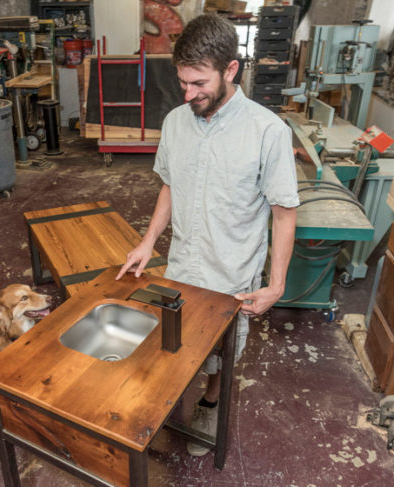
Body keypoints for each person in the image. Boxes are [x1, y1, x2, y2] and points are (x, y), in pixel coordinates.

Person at [116, 14, 299, 457]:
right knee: (174, 340)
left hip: (230, 275)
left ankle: (211, 402)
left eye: (199, 83)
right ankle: (170, 397)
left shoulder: (267, 132)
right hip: (182, 266)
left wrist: (275, 284)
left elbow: (284, 213)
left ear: (231, 70)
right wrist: (147, 242)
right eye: (183, 83)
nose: (189, 93)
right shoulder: (178, 121)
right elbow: (170, 186)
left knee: (221, 354)